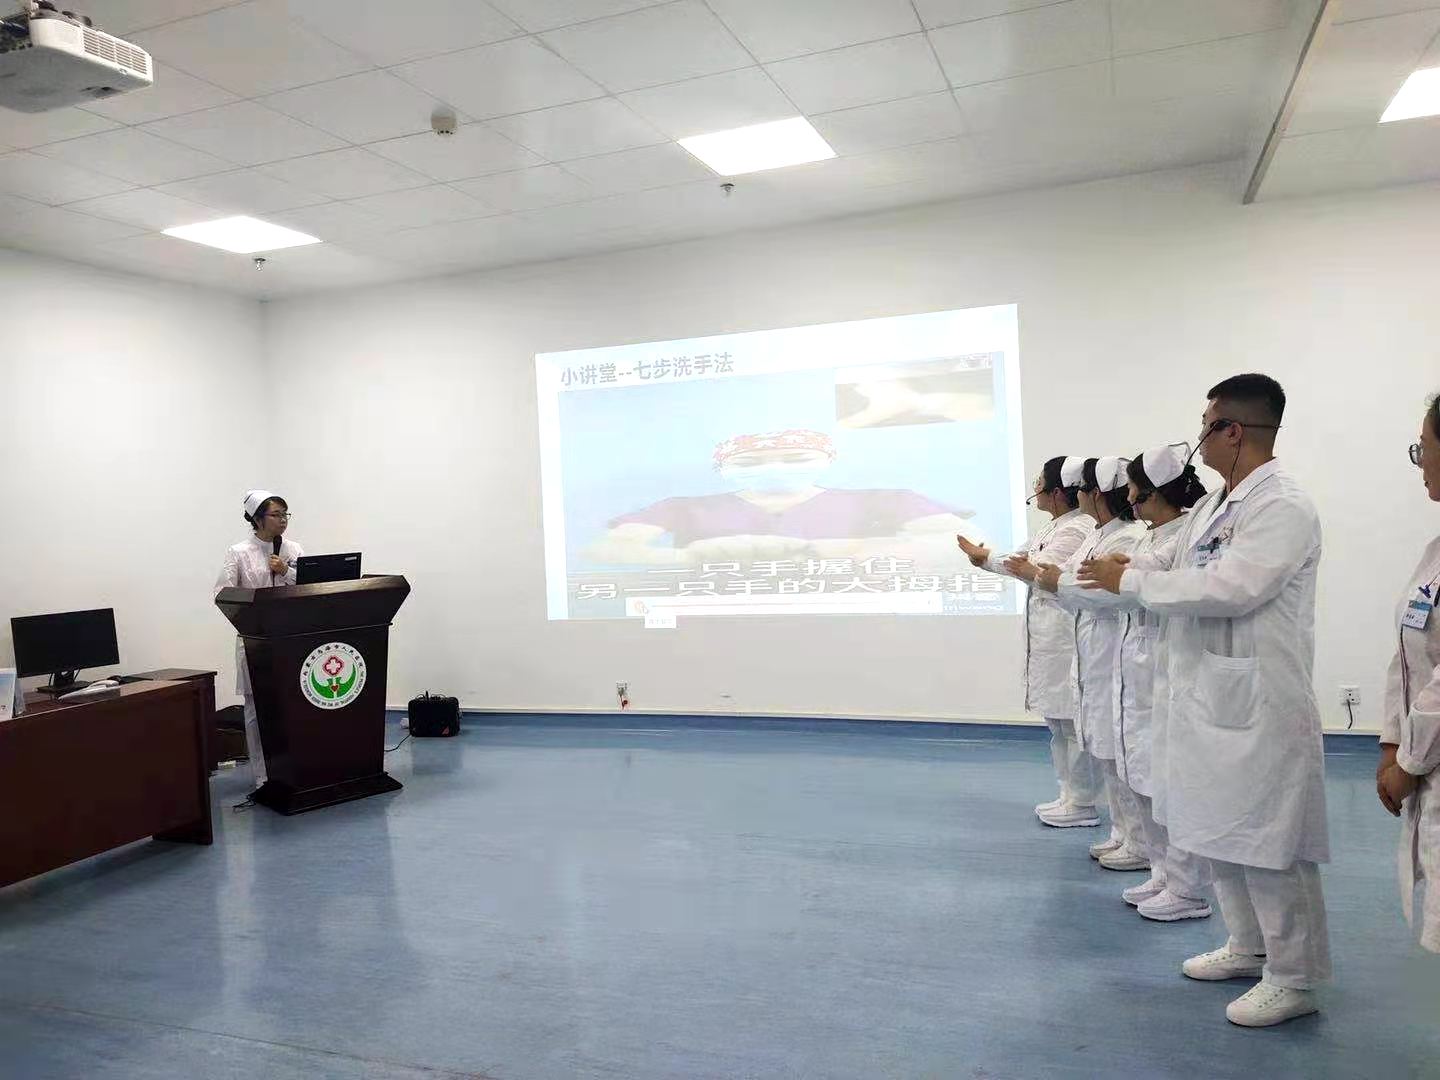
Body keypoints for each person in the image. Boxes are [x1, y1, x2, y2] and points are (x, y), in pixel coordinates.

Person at [1079, 374, 1330, 1028]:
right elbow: (1178, 573)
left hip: (1257, 701)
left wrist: (1131, 581)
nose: (1200, 439)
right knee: (1220, 828)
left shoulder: (1281, 505)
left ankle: (1293, 977)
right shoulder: (1217, 505)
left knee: (1268, 840)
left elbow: (1233, 587)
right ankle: (1247, 946)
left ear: (1231, 431)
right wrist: (1132, 574)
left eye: (1205, 425)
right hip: (1208, 697)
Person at [1076, 445, 1214, 921]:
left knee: (1164, 782)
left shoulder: (1183, 537)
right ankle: (1164, 872)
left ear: (1152, 493)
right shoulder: (1153, 537)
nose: (1129, 499)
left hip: (1163, 671)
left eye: (1134, 490)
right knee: (1139, 772)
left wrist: (1118, 574)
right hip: (1135, 669)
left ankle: (1188, 887)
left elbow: (1135, 584)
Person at [586, 429, 981, 568]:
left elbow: (967, 544)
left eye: (795, 458)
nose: (773, 467)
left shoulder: (885, 500)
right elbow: (606, 549)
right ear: (722, 469)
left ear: (827, 461)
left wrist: (837, 551)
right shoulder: (682, 507)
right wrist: (692, 558)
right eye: (750, 462)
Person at [958, 456, 1099, 823]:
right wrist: (988, 559)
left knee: (1072, 724)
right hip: (1050, 640)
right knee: (1059, 725)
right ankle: (1068, 794)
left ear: (1057, 492)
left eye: (1039, 481)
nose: (1034, 486)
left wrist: (990, 558)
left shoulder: (1078, 528)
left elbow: (1032, 568)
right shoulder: (1053, 527)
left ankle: (1082, 801)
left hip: (1066, 637)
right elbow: (1019, 561)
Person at [1035, 457, 1145, 844]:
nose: (1076, 496)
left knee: (1115, 747)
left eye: (1081, 489)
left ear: (1096, 493)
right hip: (1091, 647)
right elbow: (1060, 575)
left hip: (1111, 647)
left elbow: (1093, 588)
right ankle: (1122, 832)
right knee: (1098, 741)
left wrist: (1057, 582)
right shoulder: (1096, 535)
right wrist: (1057, 580)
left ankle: (1136, 839)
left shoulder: (1125, 538)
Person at [1378, 393, 1440, 954]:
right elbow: (1407, 651)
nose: (1420, 461)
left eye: (1424, 446)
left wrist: (1410, 761)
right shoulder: (1435, 552)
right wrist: (1391, 741)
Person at [214, 490, 304, 792]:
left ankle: (295, 765)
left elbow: (310, 586)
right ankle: (263, 776)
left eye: (285, 514)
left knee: (293, 702)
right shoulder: (239, 552)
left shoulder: (293, 549)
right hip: (255, 639)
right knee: (256, 706)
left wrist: (286, 571)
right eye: (276, 515)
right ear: (257, 519)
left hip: (290, 638)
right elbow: (223, 593)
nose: (283, 520)